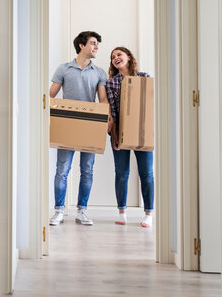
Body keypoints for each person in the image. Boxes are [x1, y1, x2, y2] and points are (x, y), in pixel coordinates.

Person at [49, 31, 110, 226]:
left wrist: (106, 122)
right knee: (62, 170)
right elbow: (50, 96)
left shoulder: (99, 72)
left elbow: (102, 101)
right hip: (68, 123)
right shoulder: (64, 69)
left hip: (90, 125)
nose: (96, 47)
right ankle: (58, 211)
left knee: (87, 170)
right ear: (81, 45)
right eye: (93, 43)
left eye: (97, 44)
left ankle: (82, 211)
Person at [106, 46, 154, 228]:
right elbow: (113, 112)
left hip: (143, 132)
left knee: (147, 173)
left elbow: (150, 106)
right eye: (112, 57)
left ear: (128, 57)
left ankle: (149, 213)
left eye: (119, 54)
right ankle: (122, 212)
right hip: (121, 132)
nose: (115, 58)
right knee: (121, 173)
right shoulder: (111, 83)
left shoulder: (144, 77)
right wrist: (115, 135)